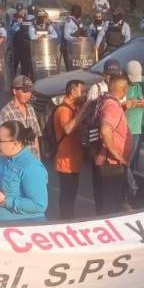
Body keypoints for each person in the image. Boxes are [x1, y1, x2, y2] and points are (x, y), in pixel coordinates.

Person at [0, 120, 49, 223]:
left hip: (21, 228)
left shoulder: (31, 167)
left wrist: (4, 201)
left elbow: (39, 205)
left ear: (16, 143)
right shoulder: (2, 157)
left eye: (0, 141)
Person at [91, 73, 132, 214]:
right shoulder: (112, 106)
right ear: (125, 89)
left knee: (103, 201)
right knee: (112, 203)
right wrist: (117, 155)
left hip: (102, 159)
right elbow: (106, 130)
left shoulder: (103, 100)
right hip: (111, 163)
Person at [50, 80, 87, 220]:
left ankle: (68, 219)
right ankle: (65, 221)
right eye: (82, 91)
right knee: (67, 197)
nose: (84, 94)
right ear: (72, 92)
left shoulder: (74, 108)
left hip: (74, 160)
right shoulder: (63, 110)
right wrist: (83, 110)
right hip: (65, 161)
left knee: (71, 196)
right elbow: (68, 128)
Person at [0, 75, 43, 157]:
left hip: (32, 160)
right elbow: (3, 141)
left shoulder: (30, 109)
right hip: (17, 161)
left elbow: (35, 136)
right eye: (25, 91)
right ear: (15, 91)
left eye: (30, 91)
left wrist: (38, 160)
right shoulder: (6, 112)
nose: (28, 94)